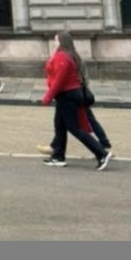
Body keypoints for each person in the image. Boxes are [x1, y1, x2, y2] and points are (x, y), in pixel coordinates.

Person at [39, 32, 110, 170]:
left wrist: (47, 97)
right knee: (60, 126)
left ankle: (102, 153)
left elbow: (59, 80)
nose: (54, 43)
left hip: (67, 95)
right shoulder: (69, 55)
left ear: (62, 41)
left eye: (56, 40)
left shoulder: (62, 56)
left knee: (75, 128)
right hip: (67, 95)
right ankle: (58, 157)